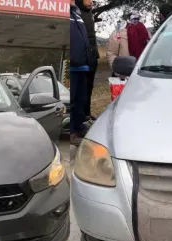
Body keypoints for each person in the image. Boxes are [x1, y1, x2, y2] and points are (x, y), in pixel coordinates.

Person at [70, 0, 92, 145]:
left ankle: (79, 127)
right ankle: (71, 132)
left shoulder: (77, 14)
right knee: (71, 101)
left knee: (81, 99)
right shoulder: (65, 14)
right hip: (72, 66)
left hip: (82, 66)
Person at [75, 0, 98, 122]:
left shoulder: (90, 13)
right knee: (81, 89)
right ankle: (80, 118)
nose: (92, 1)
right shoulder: (76, 14)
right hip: (83, 57)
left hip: (93, 56)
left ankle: (87, 113)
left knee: (89, 87)